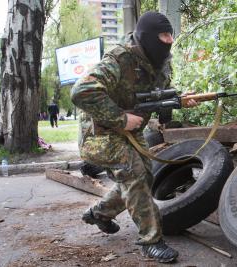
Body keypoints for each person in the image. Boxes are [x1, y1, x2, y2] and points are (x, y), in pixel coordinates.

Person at [71, 11, 198, 263]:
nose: (169, 40)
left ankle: (100, 213)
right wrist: (120, 118)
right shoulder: (120, 58)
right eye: (163, 35)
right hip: (98, 134)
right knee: (134, 171)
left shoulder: (160, 62)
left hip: (128, 133)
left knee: (144, 175)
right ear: (147, 36)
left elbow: (157, 97)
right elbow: (81, 91)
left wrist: (179, 100)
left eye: (170, 34)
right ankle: (151, 241)